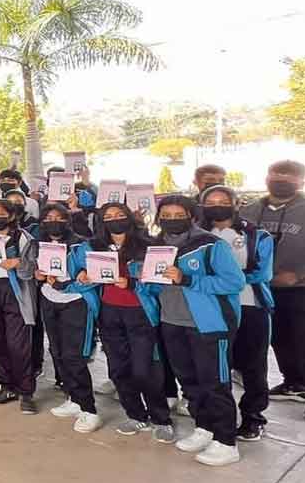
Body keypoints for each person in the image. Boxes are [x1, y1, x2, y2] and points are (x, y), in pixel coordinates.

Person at [140, 195, 245, 466]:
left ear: (192, 215)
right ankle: (204, 427)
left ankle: (226, 441)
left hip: (209, 325)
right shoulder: (156, 246)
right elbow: (155, 286)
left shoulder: (211, 246)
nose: (172, 220)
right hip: (172, 322)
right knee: (189, 381)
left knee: (215, 383)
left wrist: (188, 279)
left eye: (179, 215)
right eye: (166, 215)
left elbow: (234, 282)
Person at [86, 202, 173, 441]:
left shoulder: (148, 247)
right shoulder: (96, 247)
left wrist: (133, 284)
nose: (114, 220)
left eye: (119, 215)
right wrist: (84, 276)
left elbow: (158, 283)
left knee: (145, 370)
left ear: (129, 217)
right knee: (118, 369)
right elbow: (89, 276)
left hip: (140, 313)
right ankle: (135, 415)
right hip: (109, 313)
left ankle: (161, 418)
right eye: (108, 216)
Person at [200, 185, 275, 440]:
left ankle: (253, 417)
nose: (216, 205)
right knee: (217, 366)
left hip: (249, 306)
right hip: (210, 308)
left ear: (236, 203)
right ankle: (217, 417)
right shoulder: (198, 234)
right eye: (210, 202)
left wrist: (224, 277)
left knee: (253, 366)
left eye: (222, 200)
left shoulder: (257, 236)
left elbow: (263, 273)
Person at [240, 160, 305, 405]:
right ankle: (294, 382)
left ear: (300, 181)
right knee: (277, 337)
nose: (281, 178)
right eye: (276, 173)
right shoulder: (249, 210)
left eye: (289, 175)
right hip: (260, 287)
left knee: (300, 336)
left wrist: (299, 275)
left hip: (297, 288)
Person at [36, 204, 102, 433]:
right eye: (48, 217)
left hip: (75, 303)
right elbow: (40, 271)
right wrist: (39, 275)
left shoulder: (82, 244)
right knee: (58, 353)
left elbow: (94, 275)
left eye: (58, 217)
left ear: (67, 221)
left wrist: (70, 282)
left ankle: (89, 409)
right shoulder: (41, 244)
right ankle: (74, 399)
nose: (53, 221)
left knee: (75, 357)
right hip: (49, 300)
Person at [0, 199, 39, 414]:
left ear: (11, 216)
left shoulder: (24, 239)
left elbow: (30, 271)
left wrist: (19, 263)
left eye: (1, 214)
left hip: (15, 292)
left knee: (18, 344)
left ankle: (26, 391)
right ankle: (6, 386)